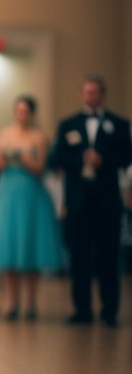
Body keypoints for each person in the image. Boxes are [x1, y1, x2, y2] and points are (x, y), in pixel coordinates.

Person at [51, 74, 132, 327]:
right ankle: (81, 309)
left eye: (97, 92)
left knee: (109, 257)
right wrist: (80, 160)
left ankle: (110, 310)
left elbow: (127, 156)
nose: (92, 97)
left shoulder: (119, 124)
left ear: (103, 95)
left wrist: (102, 159)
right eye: (88, 92)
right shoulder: (68, 124)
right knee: (79, 257)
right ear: (81, 95)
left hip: (107, 201)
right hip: (78, 201)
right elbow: (58, 158)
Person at [0, 95, 65, 320]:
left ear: (32, 113)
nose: (22, 115)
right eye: (19, 111)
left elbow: (41, 168)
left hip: (31, 193)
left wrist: (24, 158)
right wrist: (3, 158)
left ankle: (31, 302)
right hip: (7, 193)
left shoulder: (39, 137)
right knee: (10, 246)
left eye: (26, 111)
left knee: (30, 246)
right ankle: (11, 301)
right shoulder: (5, 134)